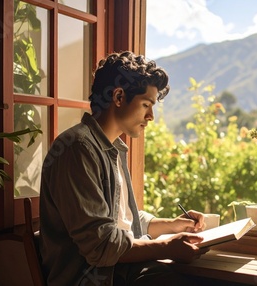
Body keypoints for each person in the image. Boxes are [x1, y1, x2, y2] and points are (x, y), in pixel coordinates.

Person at [39, 51, 209, 286]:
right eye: (146, 105)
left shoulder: (113, 148)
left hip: (121, 271)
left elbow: (121, 220)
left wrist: (171, 224)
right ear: (118, 97)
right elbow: (101, 246)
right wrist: (165, 246)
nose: (151, 116)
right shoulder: (77, 149)